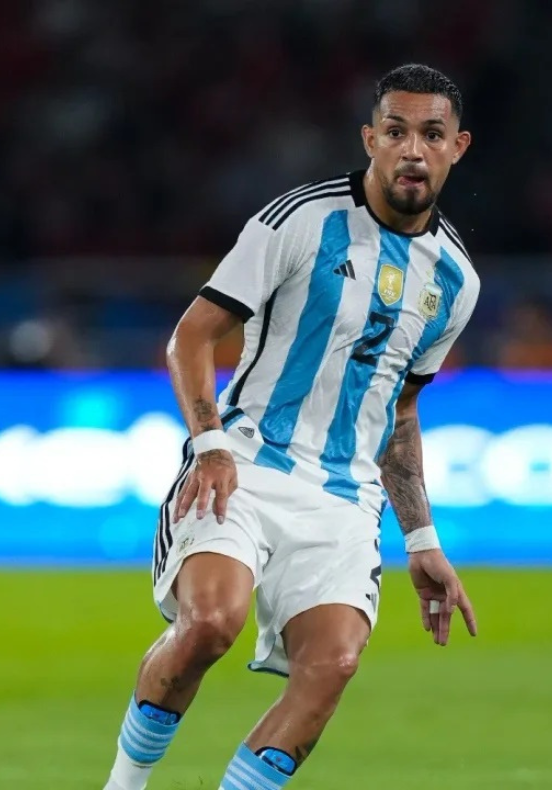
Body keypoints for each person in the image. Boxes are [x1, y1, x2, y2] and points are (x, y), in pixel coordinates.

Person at [101, 64, 481, 790]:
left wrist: (423, 538)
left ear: (456, 147)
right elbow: (191, 338)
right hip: (244, 462)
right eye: (395, 132)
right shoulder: (298, 221)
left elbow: (399, 409)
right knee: (210, 624)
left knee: (333, 663)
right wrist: (209, 446)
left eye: (431, 134)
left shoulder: (456, 281)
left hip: (343, 498)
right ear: (370, 139)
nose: (412, 150)